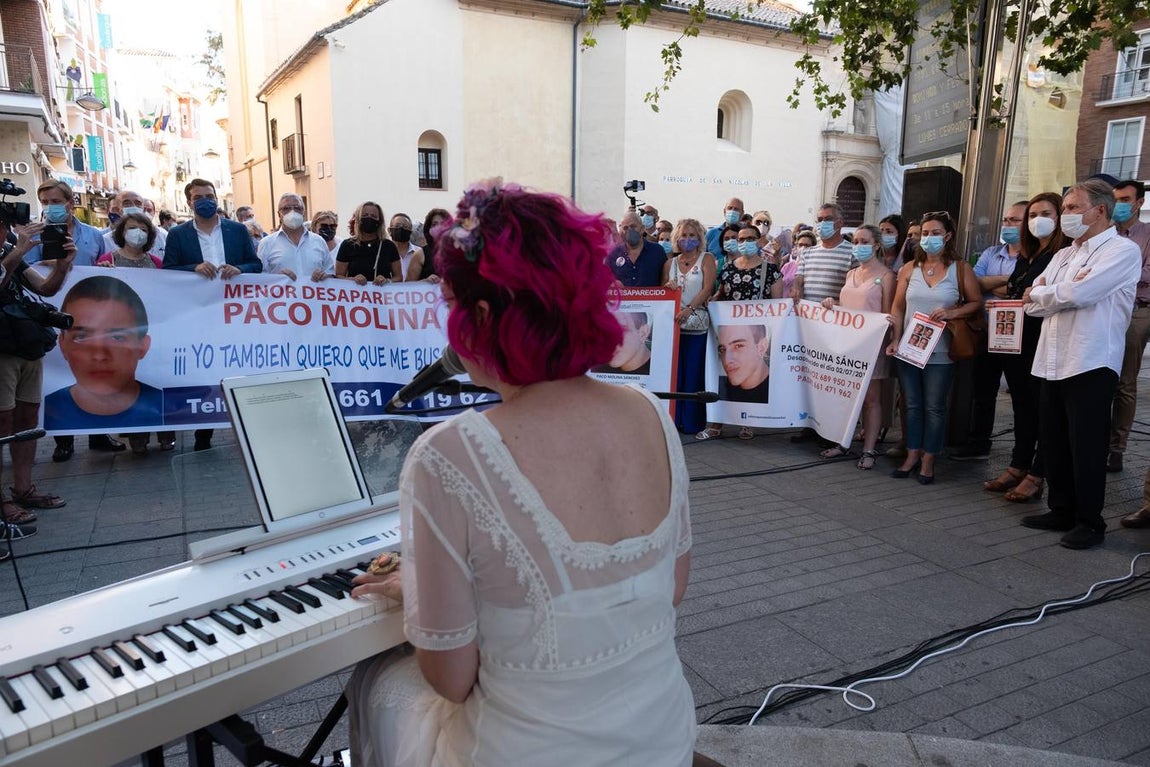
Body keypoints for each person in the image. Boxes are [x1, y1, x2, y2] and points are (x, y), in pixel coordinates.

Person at [344, 178, 696, 766]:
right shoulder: (651, 413)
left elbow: (450, 680)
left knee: (377, 681)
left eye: (452, 306)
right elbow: (673, 588)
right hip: (663, 741)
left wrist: (417, 594)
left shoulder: (446, 455)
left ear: (481, 316)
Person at [1020, 180, 1140, 549]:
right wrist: (1051, 295)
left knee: (1086, 444)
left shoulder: (1122, 250)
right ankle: (1062, 508)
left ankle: (1090, 521)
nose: (1065, 215)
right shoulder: (1063, 255)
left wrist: (1050, 294)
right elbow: (1031, 301)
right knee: (1053, 439)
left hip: (1090, 360)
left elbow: (1081, 293)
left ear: (1099, 211)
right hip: (1052, 358)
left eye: (1073, 208)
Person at [25, 180, 130, 461]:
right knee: (58, 372)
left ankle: (98, 434)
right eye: (45, 202)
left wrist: (103, 268)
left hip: (89, 315)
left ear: (71, 203)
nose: (50, 207)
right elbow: (30, 269)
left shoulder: (94, 236)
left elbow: (100, 266)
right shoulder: (34, 235)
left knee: (93, 375)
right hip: (50, 312)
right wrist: (59, 264)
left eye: (55, 201)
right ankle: (64, 439)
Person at [164, 178, 262, 451]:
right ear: (189, 202)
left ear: (217, 198)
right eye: (199, 197)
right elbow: (168, 272)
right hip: (199, 313)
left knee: (239, 367)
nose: (205, 200)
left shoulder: (237, 230)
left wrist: (240, 269)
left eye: (210, 195)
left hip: (235, 312)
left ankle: (246, 427)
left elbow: (256, 264)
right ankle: (203, 431)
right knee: (205, 370)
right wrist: (193, 268)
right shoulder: (178, 234)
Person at [886, 211, 982, 484]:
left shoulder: (960, 269)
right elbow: (897, 306)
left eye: (934, 233)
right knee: (912, 405)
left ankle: (929, 458)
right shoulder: (908, 269)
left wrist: (952, 313)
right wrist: (895, 338)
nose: (928, 239)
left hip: (941, 352)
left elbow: (976, 302)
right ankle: (912, 454)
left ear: (947, 236)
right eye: (924, 234)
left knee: (935, 407)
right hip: (909, 349)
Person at [0, 218, 75, 532]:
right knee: (2, 424)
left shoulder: (7, 249)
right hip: (1, 350)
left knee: (27, 420)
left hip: (26, 345)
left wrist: (62, 265)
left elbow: (45, 288)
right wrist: (17, 251)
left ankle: (23, 488)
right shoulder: (11, 251)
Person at [951, 201, 1029, 461]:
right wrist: (1010, 282)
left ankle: (1023, 452)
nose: (1007, 225)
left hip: (1019, 336)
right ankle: (978, 442)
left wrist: (993, 285)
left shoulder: (1035, 257)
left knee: (1021, 396)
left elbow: (1025, 288)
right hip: (986, 331)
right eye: (1006, 220)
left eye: (1014, 220)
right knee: (983, 391)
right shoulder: (990, 253)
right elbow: (974, 282)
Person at [95, 213, 176, 453]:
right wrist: (102, 273)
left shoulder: (156, 262)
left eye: (143, 228)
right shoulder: (108, 259)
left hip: (156, 330)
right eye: (132, 227)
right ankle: (136, 434)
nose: (137, 232)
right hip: (122, 334)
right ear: (121, 232)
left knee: (158, 381)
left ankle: (166, 432)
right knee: (131, 384)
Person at [45, 276, 162, 432]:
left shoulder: (167, 404)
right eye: (81, 337)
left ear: (143, 346)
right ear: (62, 345)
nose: (99, 355)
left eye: (117, 337)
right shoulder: (42, 410)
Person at [820, 224, 894, 468]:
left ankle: (869, 450)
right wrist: (831, 303)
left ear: (876, 245)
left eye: (864, 242)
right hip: (848, 346)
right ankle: (843, 442)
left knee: (871, 399)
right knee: (847, 396)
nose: (859, 246)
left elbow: (887, 314)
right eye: (856, 242)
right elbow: (845, 307)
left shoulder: (886, 276)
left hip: (872, 347)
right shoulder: (851, 274)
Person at [1107, 180, 1150, 473]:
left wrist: (1108, 274)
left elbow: (1144, 274)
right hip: (1104, 311)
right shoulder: (1107, 234)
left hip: (1137, 311)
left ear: (1139, 203)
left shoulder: (1147, 235)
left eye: (1124, 199)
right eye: (1115, 199)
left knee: (1125, 381)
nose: (1118, 205)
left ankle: (1116, 448)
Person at [663, 218, 716, 435]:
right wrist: (667, 287)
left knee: (694, 373)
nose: (687, 239)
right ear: (677, 238)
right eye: (683, 235)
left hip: (697, 325)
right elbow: (663, 293)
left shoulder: (707, 259)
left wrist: (689, 310)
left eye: (692, 235)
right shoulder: (670, 263)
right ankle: (674, 421)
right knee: (675, 374)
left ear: (699, 238)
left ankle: (692, 421)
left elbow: (707, 288)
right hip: (674, 327)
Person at [258, 193, 334, 282]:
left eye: (297, 208)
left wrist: (325, 276)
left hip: (313, 295)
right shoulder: (267, 243)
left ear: (303, 212)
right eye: (286, 208)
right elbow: (260, 278)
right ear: (279, 214)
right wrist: (276, 277)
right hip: (282, 295)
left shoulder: (318, 241)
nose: (292, 212)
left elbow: (330, 272)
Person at [335, 202, 401, 285]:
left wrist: (387, 281)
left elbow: (398, 277)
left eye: (373, 216)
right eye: (365, 215)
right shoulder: (347, 245)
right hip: (356, 296)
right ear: (358, 219)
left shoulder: (389, 246)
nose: (369, 218)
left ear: (379, 221)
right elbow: (338, 276)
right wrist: (352, 279)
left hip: (382, 296)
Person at [103, 190, 167, 262]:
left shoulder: (162, 235)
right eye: (126, 203)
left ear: (143, 208)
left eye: (138, 203)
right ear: (118, 210)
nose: (133, 206)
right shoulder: (106, 241)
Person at [609, 211, 668, 287]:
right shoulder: (614, 254)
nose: (630, 230)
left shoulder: (658, 251)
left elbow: (665, 280)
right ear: (622, 231)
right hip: (623, 298)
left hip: (651, 299)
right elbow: (604, 282)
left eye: (633, 226)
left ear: (642, 229)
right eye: (625, 228)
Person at [716, 324, 770, 403]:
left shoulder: (783, 391)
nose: (727, 360)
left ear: (761, 348)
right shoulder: (716, 388)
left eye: (738, 346)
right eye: (722, 349)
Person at [409, 208, 449, 282]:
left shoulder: (458, 252)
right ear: (428, 228)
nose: (439, 227)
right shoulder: (420, 254)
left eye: (443, 224)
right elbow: (407, 287)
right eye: (434, 224)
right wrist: (424, 282)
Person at [388, 214, 424, 282]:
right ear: (389, 231)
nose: (401, 229)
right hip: (388, 292)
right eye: (397, 226)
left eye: (405, 226)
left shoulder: (420, 253)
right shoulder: (382, 252)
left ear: (410, 232)